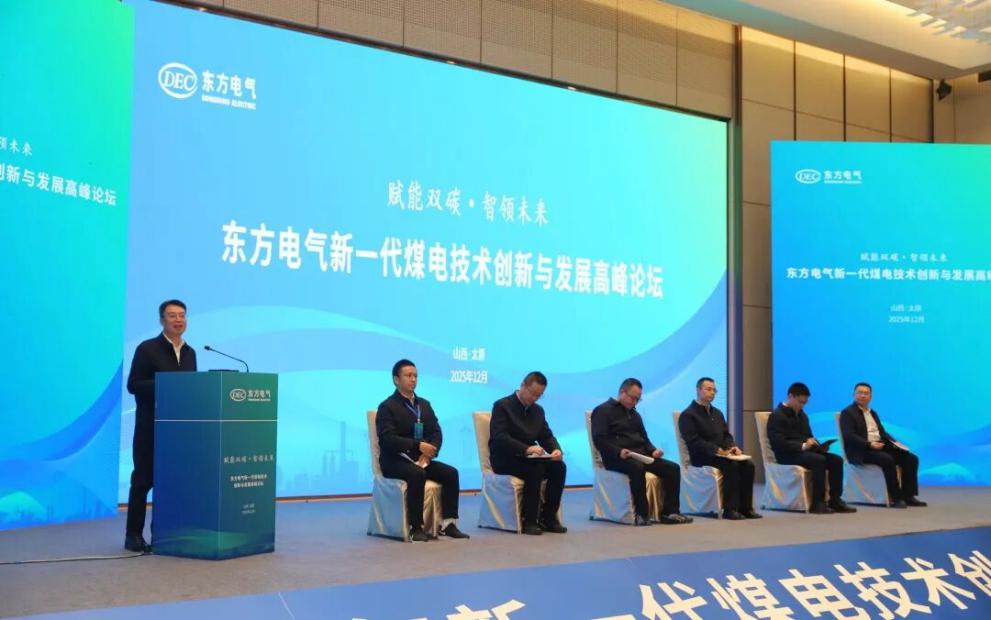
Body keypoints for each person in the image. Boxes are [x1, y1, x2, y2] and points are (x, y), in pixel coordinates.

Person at [124, 299, 197, 552]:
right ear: (161, 320)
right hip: (150, 428)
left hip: (178, 431)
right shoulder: (147, 349)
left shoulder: (190, 353)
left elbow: (190, 389)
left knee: (170, 484)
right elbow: (134, 385)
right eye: (172, 316)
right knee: (142, 481)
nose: (178, 320)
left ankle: (163, 534)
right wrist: (166, 385)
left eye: (182, 315)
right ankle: (133, 535)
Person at [376, 359, 470, 541]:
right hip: (395, 461)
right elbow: (387, 440)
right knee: (417, 474)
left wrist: (430, 453)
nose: (413, 379)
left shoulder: (424, 405)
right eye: (408, 376)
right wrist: (417, 445)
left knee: (451, 473)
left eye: (415, 376)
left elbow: (436, 432)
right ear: (396, 379)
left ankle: (448, 524)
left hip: (422, 460)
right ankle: (416, 527)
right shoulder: (387, 407)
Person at [591, 378, 693, 525]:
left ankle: (670, 512)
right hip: (616, 458)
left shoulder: (634, 414)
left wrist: (653, 450)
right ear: (622, 392)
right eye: (633, 398)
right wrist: (618, 451)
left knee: (673, 468)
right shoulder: (603, 410)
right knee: (636, 468)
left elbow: (644, 439)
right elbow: (599, 439)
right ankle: (642, 514)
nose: (635, 402)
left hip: (640, 455)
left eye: (638, 400)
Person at [489, 371, 567, 535]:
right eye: (533, 393)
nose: (535, 398)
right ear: (523, 386)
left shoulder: (538, 411)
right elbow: (500, 437)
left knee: (559, 467)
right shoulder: (502, 405)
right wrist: (526, 449)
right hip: (506, 458)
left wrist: (556, 449)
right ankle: (529, 520)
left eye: (539, 395)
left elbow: (546, 436)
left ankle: (549, 518)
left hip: (530, 458)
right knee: (535, 469)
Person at [767, 382, 856, 514]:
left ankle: (835, 500)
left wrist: (817, 445)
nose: (802, 405)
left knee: (836, 460)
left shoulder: (802, 415)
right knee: (818, 460)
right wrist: (803, 445)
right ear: (790, 396)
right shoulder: (777, 416)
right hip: (786, 455)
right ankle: (817, 502)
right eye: (800, 402)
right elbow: (778, 443)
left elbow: (808, 436)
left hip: (804, 453)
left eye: (805, 403)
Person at [678, 377, 760, 520]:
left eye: (714, 390)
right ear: (698, 390)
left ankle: (746, 508)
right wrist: (717, 450)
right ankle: (729, 509)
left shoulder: (717, 413)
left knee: (748, 465)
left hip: (721, 454)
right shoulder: (688, 415)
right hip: (702, 456)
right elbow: (694, 441)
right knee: (731, 465)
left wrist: (732, 447)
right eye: (708, 389)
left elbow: (726, 435)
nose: (712, 393)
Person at [839, 382, 926, 508]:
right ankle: (896, 497)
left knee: (911, 458)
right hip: (861, 451)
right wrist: (869, 445)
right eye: (860, 393)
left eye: (866, 393)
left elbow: (882, 433)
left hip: (878, 447)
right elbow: (849, 436)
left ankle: (908, 495)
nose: (863, 395)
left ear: (871, 396)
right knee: (887, 459)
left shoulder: (872, 413)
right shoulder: (847, 413)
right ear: (854, 395)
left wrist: (895, 444)